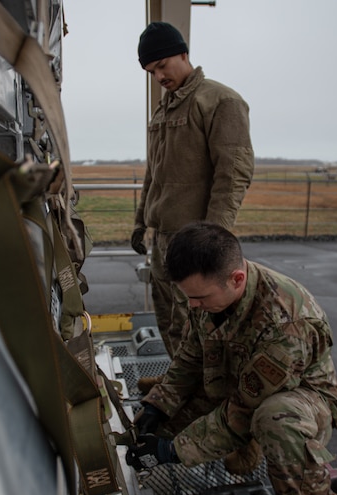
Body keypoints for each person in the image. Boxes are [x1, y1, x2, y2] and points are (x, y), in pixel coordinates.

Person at [125, 222, 337, 495]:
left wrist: (173, 452)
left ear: (237, 279)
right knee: (160, 430)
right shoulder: (208, 293)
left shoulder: (289, 321)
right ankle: (241, 446)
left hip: (298, 400)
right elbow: (189, 358)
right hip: (241, 384)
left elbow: (244, 410)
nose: (194, 306)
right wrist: (159, 404)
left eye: (200, 298)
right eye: (190, 299)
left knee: (274, 421)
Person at [131, 21, 255, 359]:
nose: (158, 77)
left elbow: (233, 175)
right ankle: (178, 388)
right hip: (163, 238)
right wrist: (141, 223)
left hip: (194, 239)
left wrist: (212, 237)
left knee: (198, 325)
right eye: (150, 71)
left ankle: (204, 397)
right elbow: (154, 173)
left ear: (184, 54)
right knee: (171, 323)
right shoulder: (165, 107)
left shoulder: (219, 100)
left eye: (161, 66)